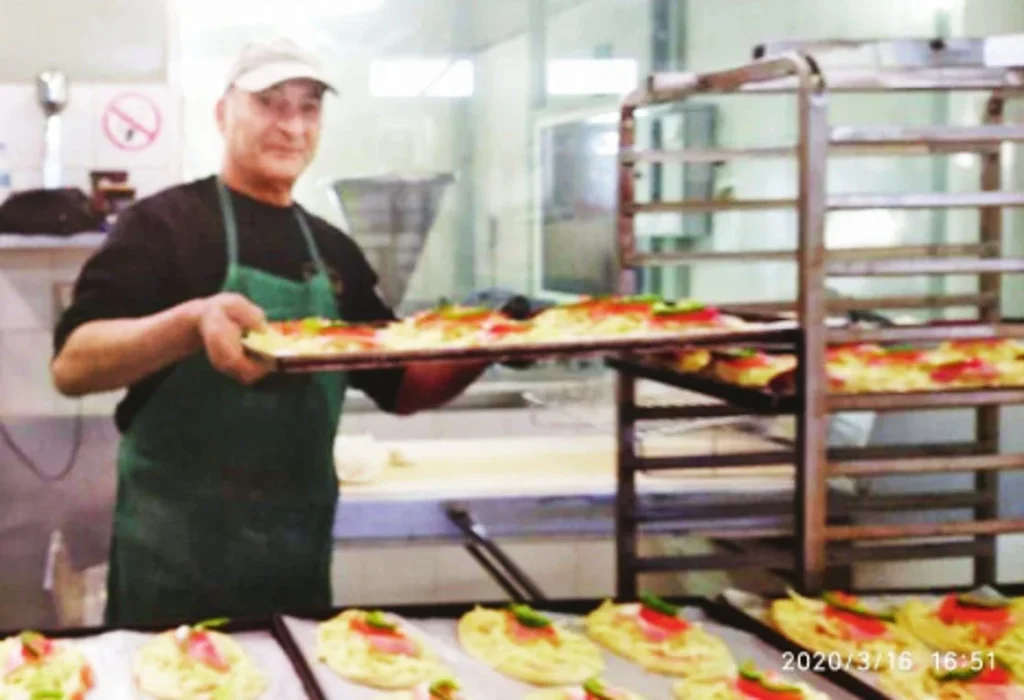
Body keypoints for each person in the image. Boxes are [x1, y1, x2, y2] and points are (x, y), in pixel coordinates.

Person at [51, 39, 490, 626]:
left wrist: (493, 340)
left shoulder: (333, 250)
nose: (292, 126)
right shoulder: (162, 225)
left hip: (293, 563)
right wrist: (190, 323)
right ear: (222, 113)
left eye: (309, 107)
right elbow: (73, 366)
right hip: (174, 561)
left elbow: (403, 385)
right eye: (269, 103)